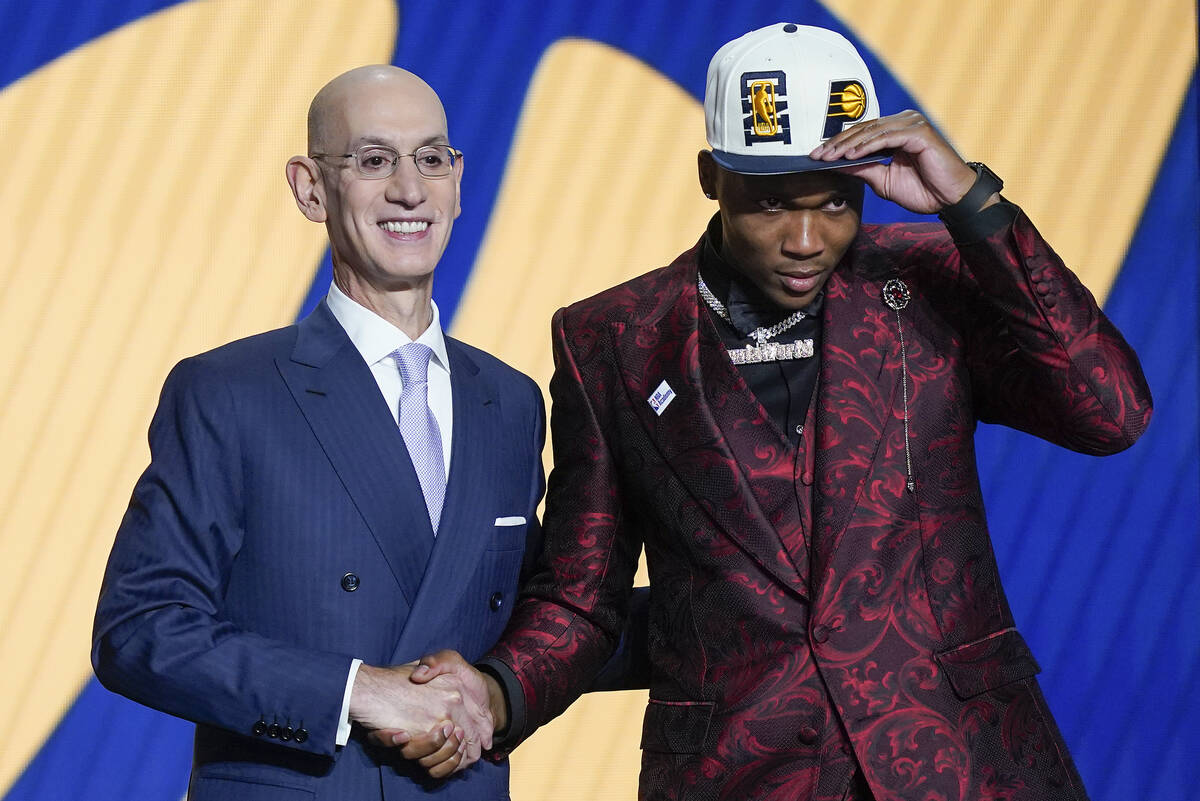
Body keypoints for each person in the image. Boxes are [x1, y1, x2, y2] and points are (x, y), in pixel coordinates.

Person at [404, 23, 1153, 801]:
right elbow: (581, 593)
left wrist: (970, 203)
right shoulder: (612, 340)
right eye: (769, 204)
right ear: (709, 176)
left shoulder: (928, 284)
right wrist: (493, 694)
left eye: (835, 202)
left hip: (966, 768)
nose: (805, 239)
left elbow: (1111, 410)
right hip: (741, 775)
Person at [92, 65, 538, 799]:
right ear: (309, 188)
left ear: (457, 181)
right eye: (372, 160)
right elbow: (139, 629)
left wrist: (729, 613)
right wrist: (356, 690)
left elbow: (547, 615)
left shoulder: (511, 402)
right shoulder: (229, 391)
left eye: (431, 158)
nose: (408, 189)